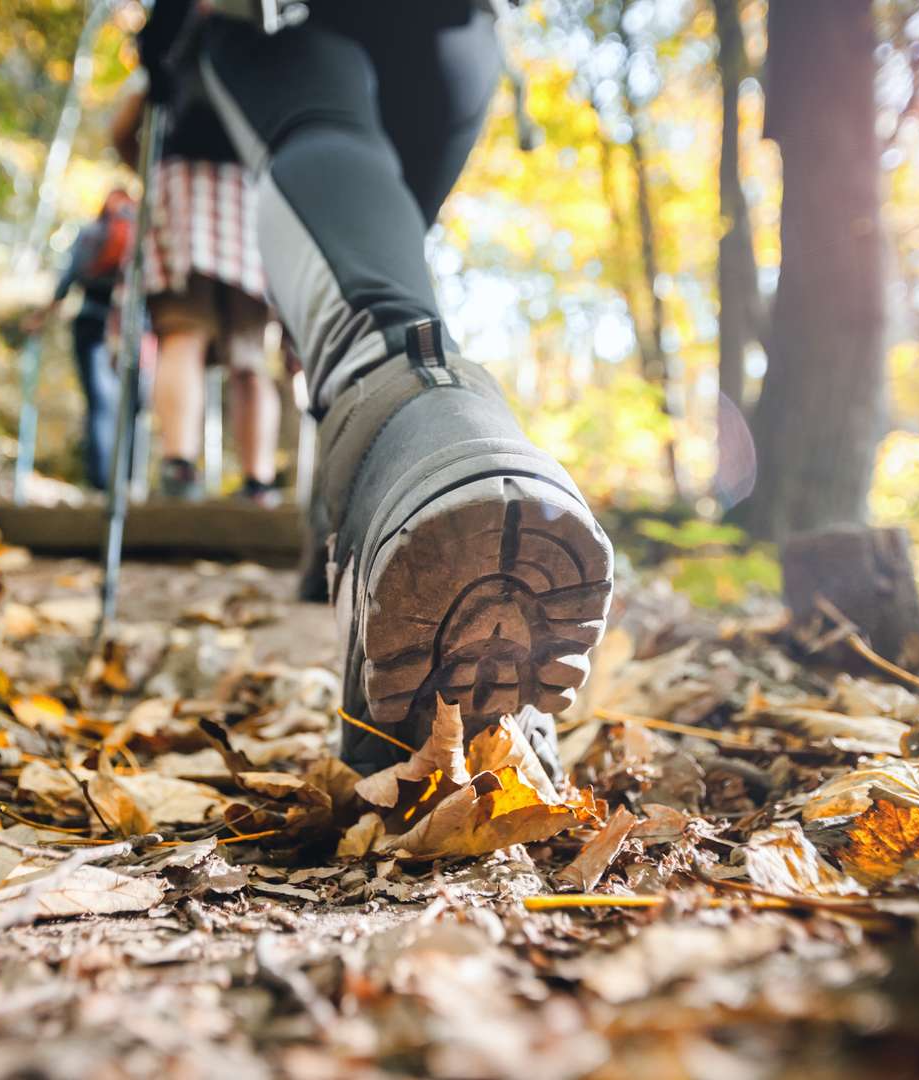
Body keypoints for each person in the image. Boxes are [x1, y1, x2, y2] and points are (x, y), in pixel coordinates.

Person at [138, 0, 615, 780]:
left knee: (328, 154)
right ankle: (370, 492)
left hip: (280, 25)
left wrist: (161, 47)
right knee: (371, 245)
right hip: (456, 39)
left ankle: (411, 429)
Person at [111, 36, 281, 505]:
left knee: (183, 334)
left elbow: (124, 129)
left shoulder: (179, 39)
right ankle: (258, 481)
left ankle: (178, 466)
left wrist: (152, 167)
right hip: (251, 199)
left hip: (181, 189)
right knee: (249, 354)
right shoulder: (264, 46)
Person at [24, 189, 135, 490]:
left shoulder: (89, 233)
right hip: (132, 327)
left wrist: (40, 316)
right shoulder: (142, 231)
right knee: (130, 405)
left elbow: (68, 279)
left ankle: (101, 483)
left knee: (100, 404)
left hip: (91, 320)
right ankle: (128, 481)